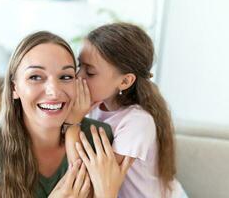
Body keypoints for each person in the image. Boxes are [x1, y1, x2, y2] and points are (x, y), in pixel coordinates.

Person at [0, 31, 131, 198]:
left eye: (65, 76)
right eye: (35, 77)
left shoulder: (98, 139)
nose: (54, 92)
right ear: (15, 88)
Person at [65, 22, 188, 198]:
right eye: (79, 66)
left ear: (125, 81)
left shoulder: (137, 122)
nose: (78, 76)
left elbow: (87, 184)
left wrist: (73, 122)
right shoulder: (97, 107)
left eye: (90, 72)